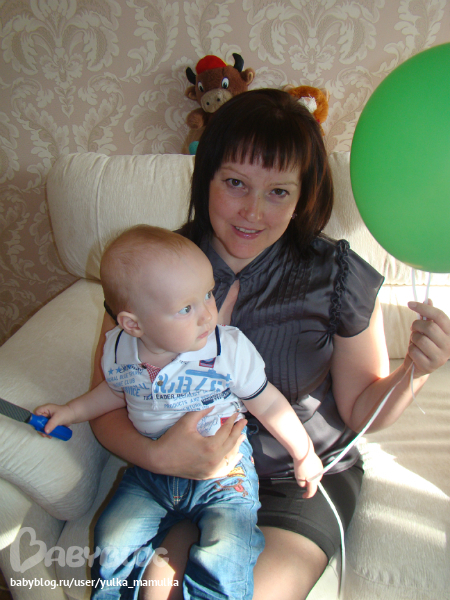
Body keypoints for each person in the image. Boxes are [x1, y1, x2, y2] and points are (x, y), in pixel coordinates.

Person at [88, 89, 450, 600]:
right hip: (180, 475)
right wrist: (163, 457)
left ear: (303, 197)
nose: (252, 212)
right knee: (151, 592)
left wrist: (417, 369)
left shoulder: (338, 276)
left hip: (297, 480)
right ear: (205, 178)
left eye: (278, 191)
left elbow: (361, 408)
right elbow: (105, 404)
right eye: (235, 183)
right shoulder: (149, 270)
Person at [36, 224, 323, 600]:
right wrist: (71, 411)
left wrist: (303, 452)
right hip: (150, 474)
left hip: (224, 472)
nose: (207, 315)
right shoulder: (119, 349)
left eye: (208, 294)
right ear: (133, 325)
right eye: (186, 308)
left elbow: (266, 401)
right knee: (113, 539)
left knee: (227, 548)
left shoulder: (226, 349)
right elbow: (113, 392)